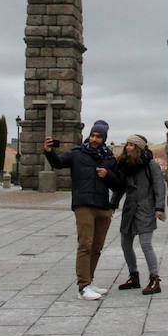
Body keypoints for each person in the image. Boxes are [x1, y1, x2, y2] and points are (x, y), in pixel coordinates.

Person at [45, 119, 123, 300]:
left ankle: (89, 281)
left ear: (104, 138)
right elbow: (58, 163)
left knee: (97, 247)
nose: (95, 139)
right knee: (85, 244)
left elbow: (119, 184)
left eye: (99, 136)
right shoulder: (77, 153)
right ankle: (83, 286)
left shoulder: (109, 158)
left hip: (102, 206)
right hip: (84, 204)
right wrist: (49, 151)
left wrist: (108, 174)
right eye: (93, 135)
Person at [110, 134, 167, 295]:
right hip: (130, 209)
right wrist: (113, 204)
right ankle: (133, 275)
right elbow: (120, 187)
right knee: (125, 243)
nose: (127, 147)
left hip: (145, 208)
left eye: (131, 145)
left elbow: (159, 187)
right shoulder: (124, 164)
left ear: (139, 148)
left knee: (145, 244)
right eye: (127, 144)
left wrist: (159, 208)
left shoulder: (150, 165)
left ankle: (155, 278)